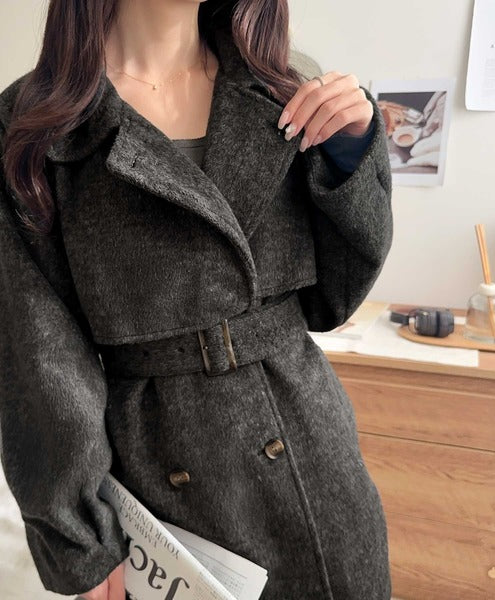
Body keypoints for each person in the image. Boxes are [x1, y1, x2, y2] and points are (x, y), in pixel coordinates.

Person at [0, 1, 393, 599]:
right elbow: (38, 353)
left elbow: (332, 300)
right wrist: (80, 538)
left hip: (314, 454)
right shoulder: (35, 122)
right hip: (163, 476)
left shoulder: (283, 88)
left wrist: (352, 154)